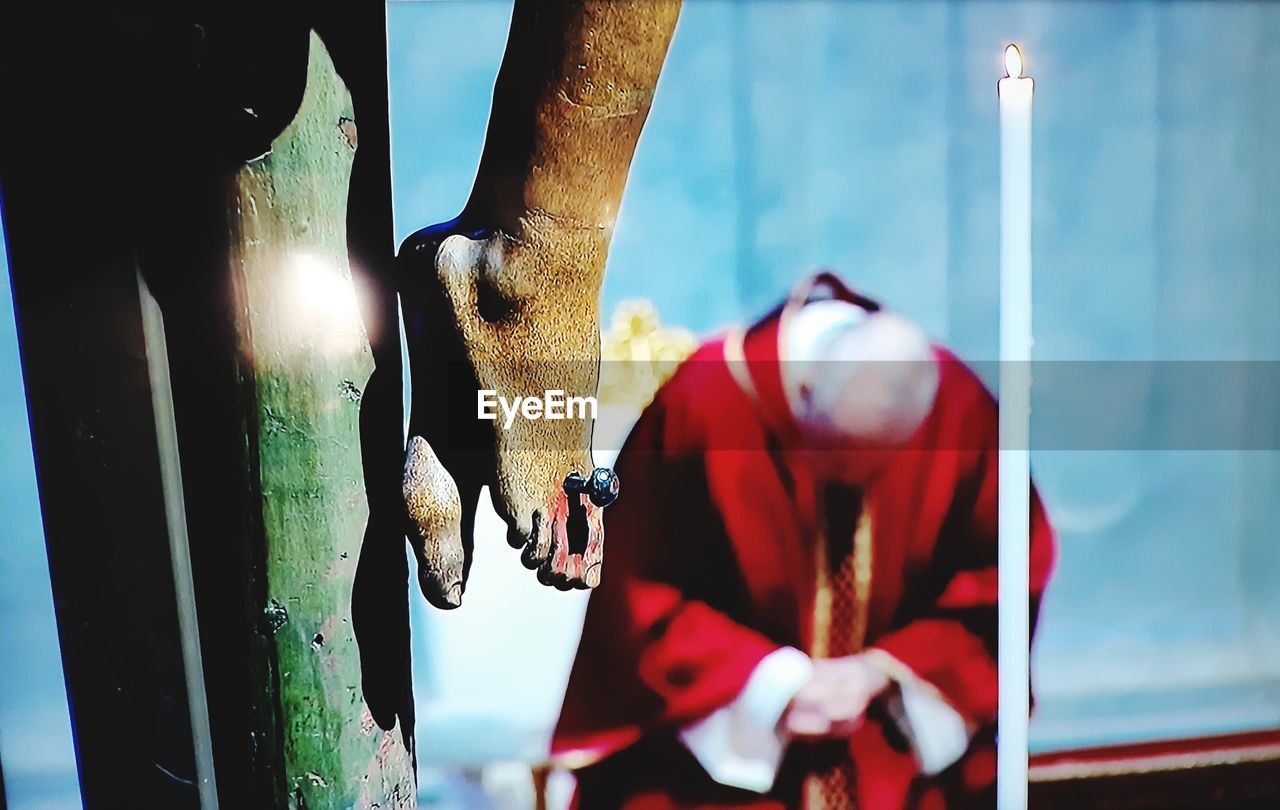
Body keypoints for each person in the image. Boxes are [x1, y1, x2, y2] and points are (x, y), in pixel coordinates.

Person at [551, 272, 1056, 809]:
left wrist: (882, 671)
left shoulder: (958, 409)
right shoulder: (704, 404)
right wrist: (777, 686)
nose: (854, 484)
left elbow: (1003, 577)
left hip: (896, 741)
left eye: (880, 469)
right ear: (805, 393)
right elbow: (636, 598)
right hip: (726, 745)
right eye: (837, 458)